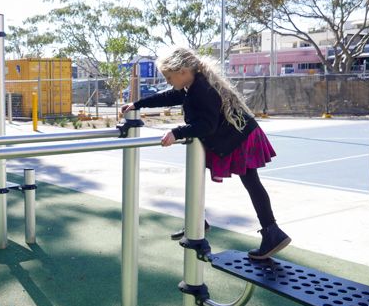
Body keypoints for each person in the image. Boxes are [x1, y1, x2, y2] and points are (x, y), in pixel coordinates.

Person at [121, 47, 291, 260]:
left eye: (169, 77)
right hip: (237, 134)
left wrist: (176, 132)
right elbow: (171, 96)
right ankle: (199, 220)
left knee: (250, 182)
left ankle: (272, 233)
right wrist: (138, 104)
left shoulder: (200, 88)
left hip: (240, 138)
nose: (167, 81)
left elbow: (207, 125)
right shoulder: (194, 82)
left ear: (183, 71)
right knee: (201, 172)